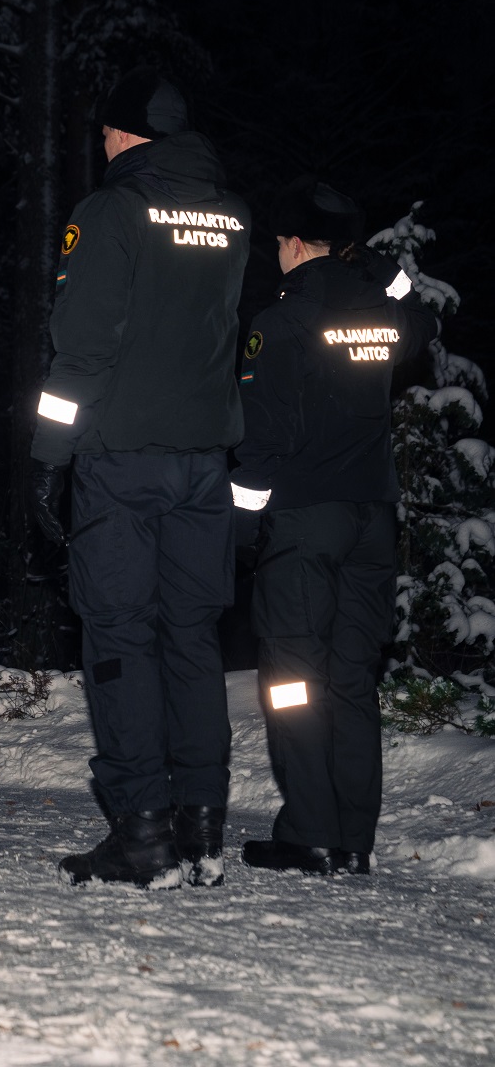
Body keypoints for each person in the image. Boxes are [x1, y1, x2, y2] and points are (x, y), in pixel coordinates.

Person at [29, 68, 250, 888]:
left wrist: (50, 457)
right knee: (191, 641)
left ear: (125, 136)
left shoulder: (112, 211)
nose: (103, 146)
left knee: (120, 640)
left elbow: (81, 350)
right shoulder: (231, 215)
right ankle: (203, 827)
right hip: (204, 466)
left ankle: (143, 832)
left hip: (122, 463)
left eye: (107, 134)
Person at [232, 177, 435, 876]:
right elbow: (426, 323)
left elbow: (262, 441)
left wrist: (240, 525)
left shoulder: (281, 321)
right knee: (352, 679)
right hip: (372, 523)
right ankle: (353, 839)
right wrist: (382, 270)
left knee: (293, 679)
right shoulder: (381, 314)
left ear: (291, 244)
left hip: (304, 520)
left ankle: (308, 833)